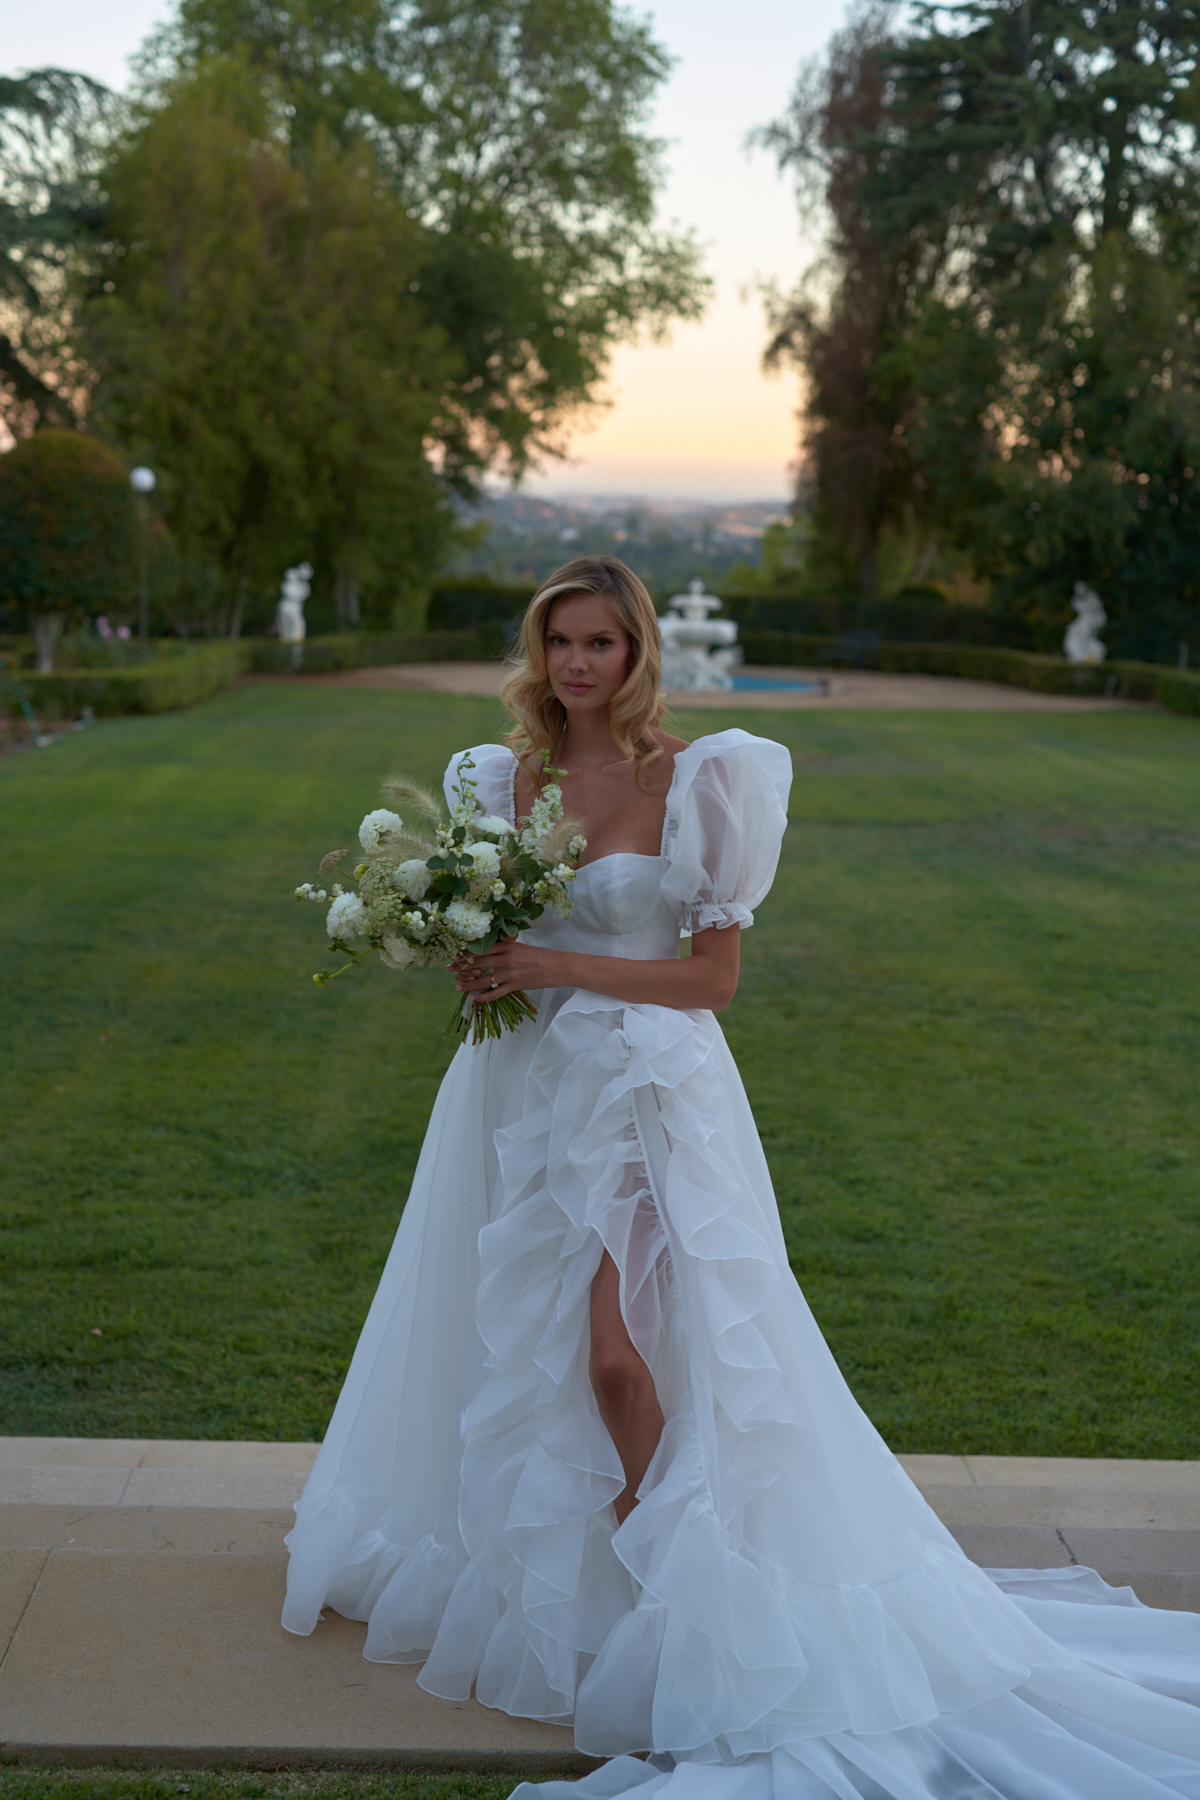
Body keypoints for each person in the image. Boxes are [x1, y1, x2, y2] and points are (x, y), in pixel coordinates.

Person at [284, 557, 1200, 1800]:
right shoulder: (500, 779)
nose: (577, 665)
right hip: (525, 1091)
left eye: (602, 643)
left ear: (638, 651)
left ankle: (684, 1609)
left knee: (622, 1358)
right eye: (560, 642)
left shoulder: (700, 780)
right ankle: (585, 1591)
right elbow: (498, 937)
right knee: (526, 1354)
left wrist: (557, 964)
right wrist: (479, 956)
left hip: (651, 1092)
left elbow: (712, 981)